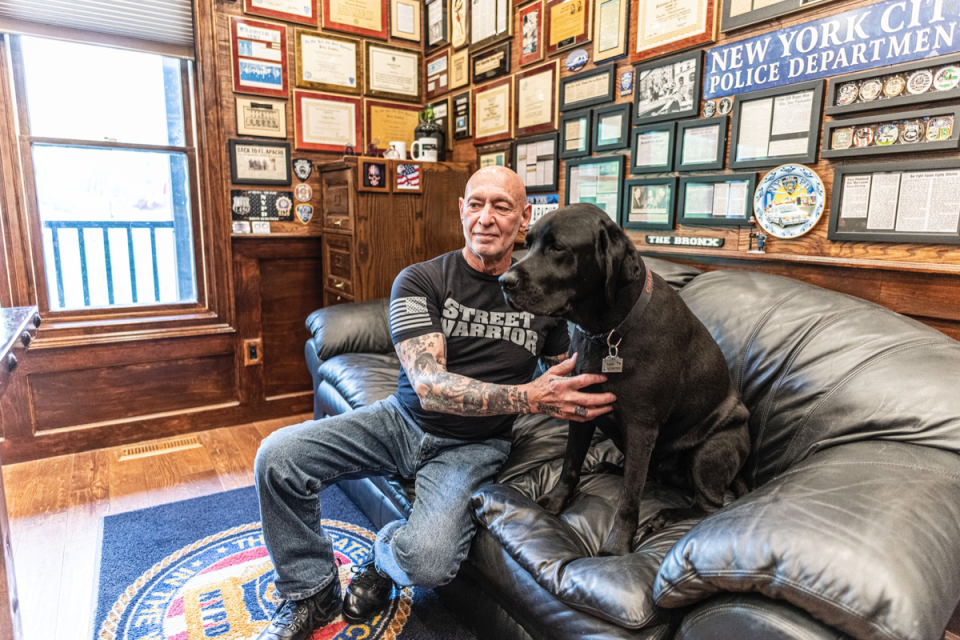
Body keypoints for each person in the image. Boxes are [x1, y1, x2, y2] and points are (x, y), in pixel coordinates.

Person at [254, 166, 617, 640]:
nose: (485, 218)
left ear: (524, 218)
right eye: (475, 204)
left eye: (501, 206)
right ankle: (310, 591)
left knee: (427, 563)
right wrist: (530, 397)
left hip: (474, 446)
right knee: (277, 457)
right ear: (461, 212)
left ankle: (384, 558)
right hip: (400, 421)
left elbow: (568, 375)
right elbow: (429, 384)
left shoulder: (545, 297)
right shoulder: (422, 280)